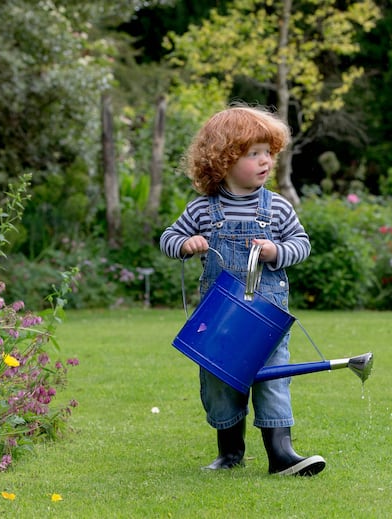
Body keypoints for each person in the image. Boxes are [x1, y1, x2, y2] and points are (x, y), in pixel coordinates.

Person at [159, 105, 325, 476]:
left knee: (273, 380)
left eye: (269, 152)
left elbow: (302, 244)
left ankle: (282, 454)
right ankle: (229, 452)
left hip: (267, 318)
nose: (266, 161)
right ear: (224, 159)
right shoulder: (203, 209)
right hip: (220, 320)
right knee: (221, 383)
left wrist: (277, 252)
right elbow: (168, 238)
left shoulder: (277, 208)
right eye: (254, 154)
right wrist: (187, 245)